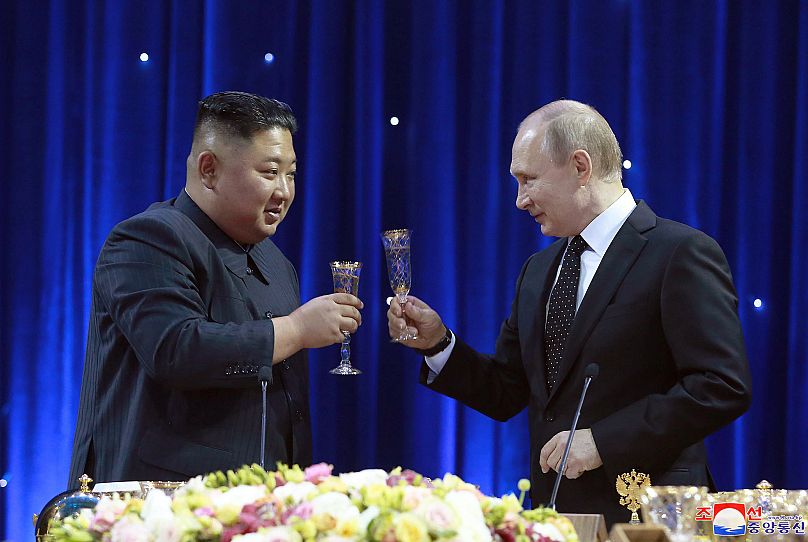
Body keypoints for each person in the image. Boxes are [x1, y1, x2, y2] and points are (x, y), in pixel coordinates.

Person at [387, 99, 752, 525]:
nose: (520, 200)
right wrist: (439, 344)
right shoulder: (538, 269)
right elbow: (507, 390)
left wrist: (603, 442)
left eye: (528, 180)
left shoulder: (679, 253)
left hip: (653, 517)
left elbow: (721, 385)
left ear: (581, 166)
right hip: (557, 520)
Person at [68, 91, 363, 486]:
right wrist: (294, 331)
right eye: (269, 172)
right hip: (160, 506)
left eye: (291, 173)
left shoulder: (276, 262)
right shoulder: (148, 237)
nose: (285, 191)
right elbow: (175, 349)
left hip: (261, 505)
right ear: (209, 169)